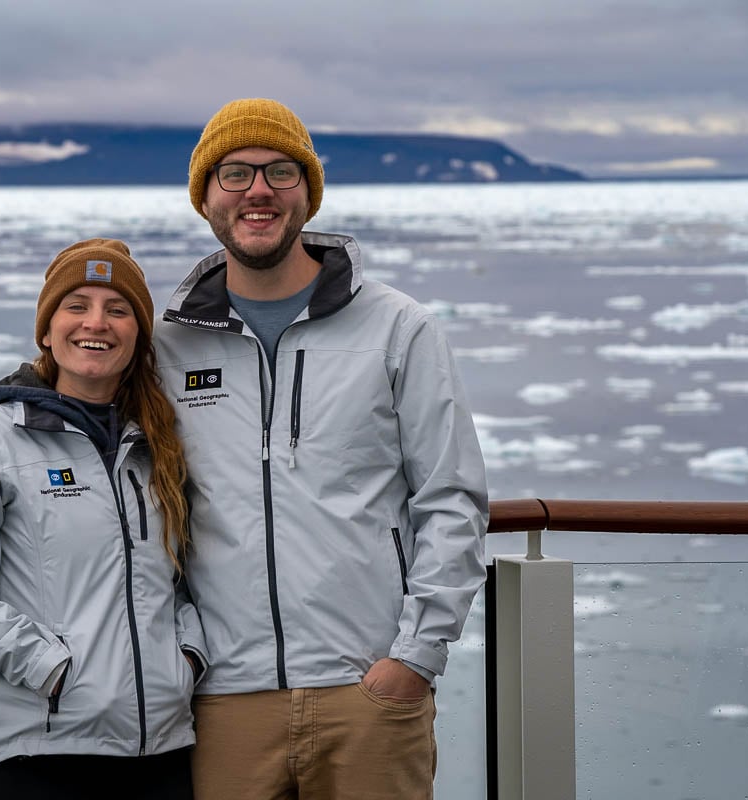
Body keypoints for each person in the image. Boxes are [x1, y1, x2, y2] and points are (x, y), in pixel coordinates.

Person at [153, 98, 489, 800]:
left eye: (280, 172)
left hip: (367, 691)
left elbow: (451, 498)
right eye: (235, 174)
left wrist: (413, 658)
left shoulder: (399, 328)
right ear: (206, 198)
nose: (258, 191)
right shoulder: (170, 346)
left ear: (307, 192)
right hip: (224, 701)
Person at [0, 238, 208, 800]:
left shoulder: (158, 447)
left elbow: (182, 580)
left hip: (161, 748)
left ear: (138, 337)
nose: (95, 323)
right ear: (47, 330)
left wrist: (184, 661)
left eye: (117, 309)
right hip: (35, 751)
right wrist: (53, 670)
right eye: (76, 306)